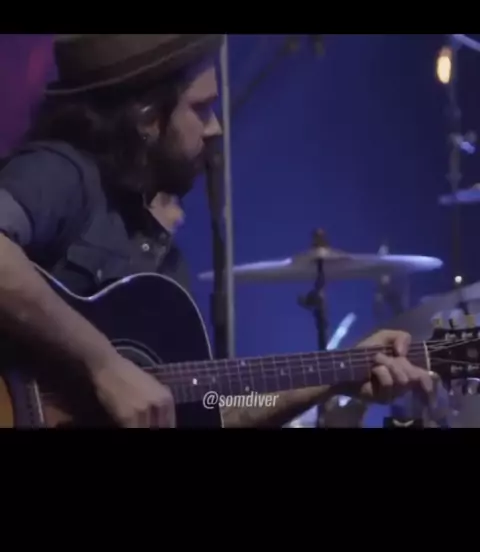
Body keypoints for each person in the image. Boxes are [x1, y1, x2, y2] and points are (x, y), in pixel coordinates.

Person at [0, 34, 435, 428]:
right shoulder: (61, 174)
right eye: (201, 108)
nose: (216, 128)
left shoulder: (160, 267)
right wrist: (104, 365)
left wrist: (339, 373)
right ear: (147, 119)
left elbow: (212, 411)